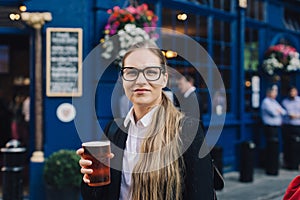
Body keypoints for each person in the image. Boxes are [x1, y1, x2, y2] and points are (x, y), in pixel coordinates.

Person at [77, 40, 214, 200]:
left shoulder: (187, 130)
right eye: (131, 72)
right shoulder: (114, 129)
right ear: (123, 79)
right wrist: (89, 180)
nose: (140, 81)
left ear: (164, 79)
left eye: (150, 72)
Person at [261, 85, 286, 175]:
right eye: (274, 91)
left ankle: (274, 168)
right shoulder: (266, 102)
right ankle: (270, 169)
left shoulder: (274, 102)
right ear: (269, 92)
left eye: (276, 91)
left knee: (275, 148)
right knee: (271, 148)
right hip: (269, 128)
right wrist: (278, 111)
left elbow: (284, 111)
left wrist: (279, 111)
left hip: (276, 128)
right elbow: (274, 113)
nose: (276, 93)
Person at [281, 86, 300, 169]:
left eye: (294, 91)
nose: (293, 93)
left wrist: (295, 116)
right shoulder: (285, 102)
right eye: (291, 92)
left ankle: (297, 163)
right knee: (288, 145)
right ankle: (289, 163)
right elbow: (290, 115)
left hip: (298, 126)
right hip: (288, 126)